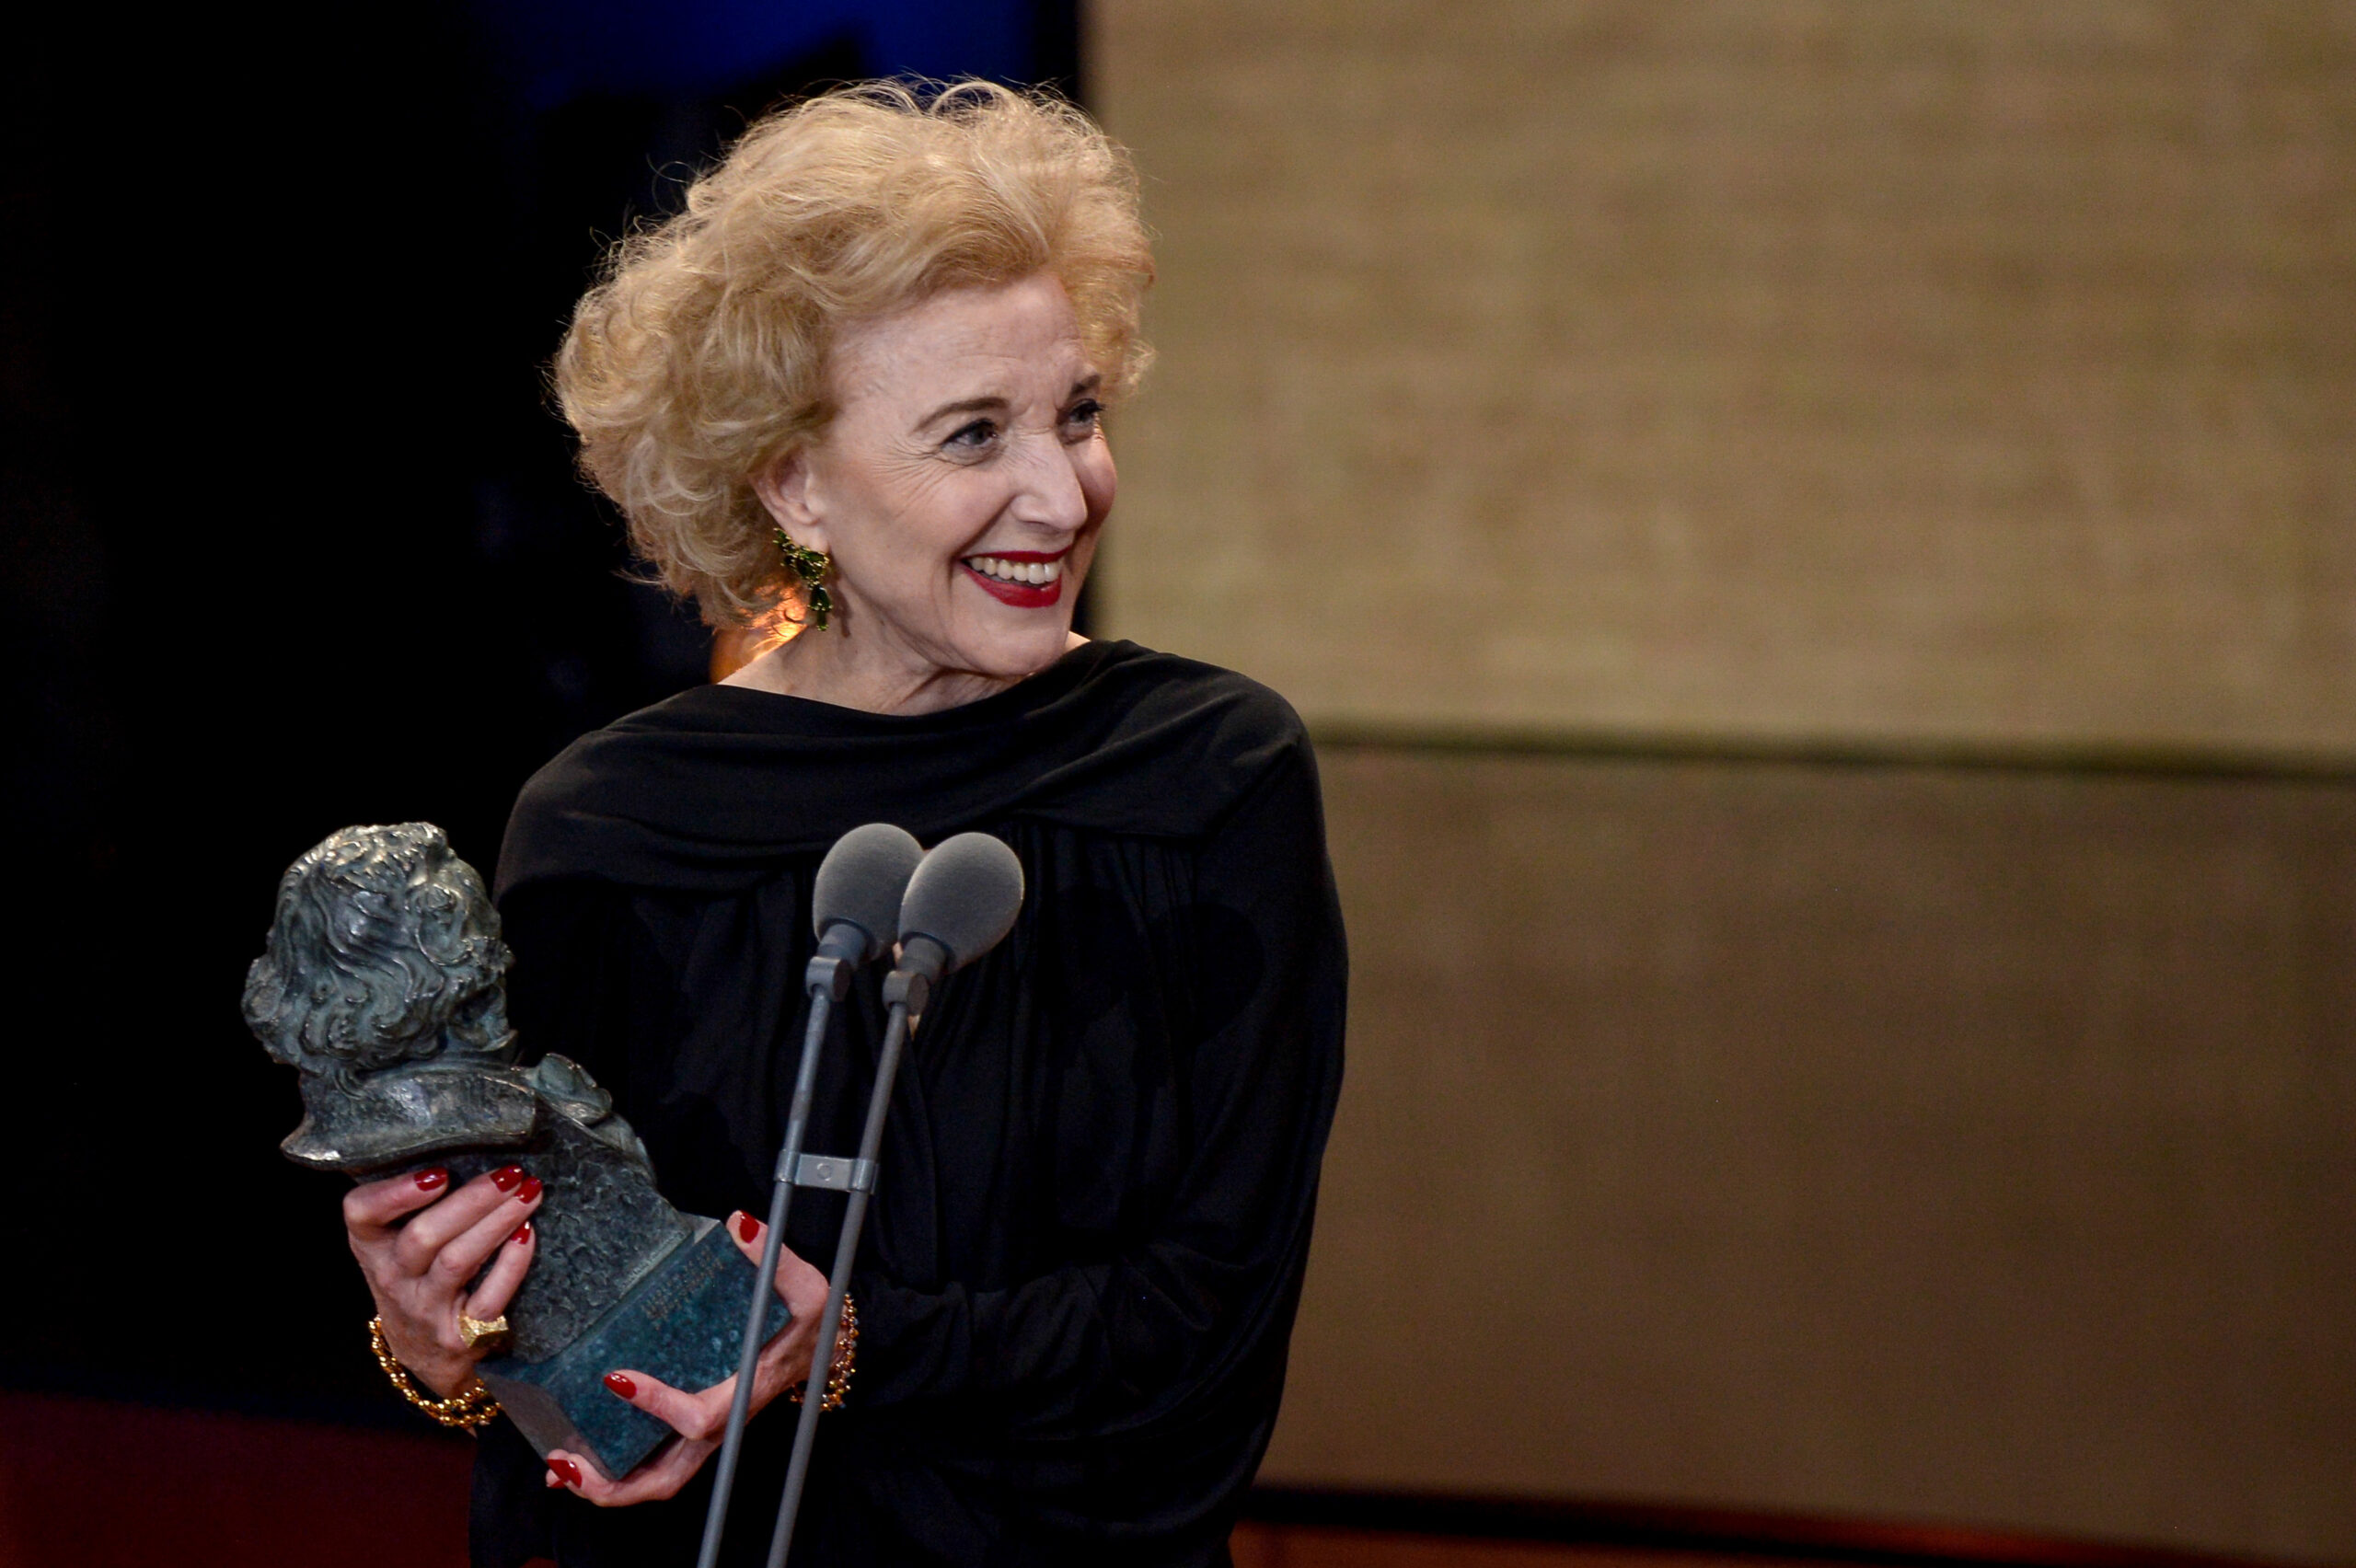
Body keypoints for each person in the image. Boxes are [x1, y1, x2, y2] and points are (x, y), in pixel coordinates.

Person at [341, 80, 1345, 1567]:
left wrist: (855, 1345)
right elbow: (549, 1362)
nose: (1060, 492)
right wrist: (438, 1343)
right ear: (794, 480)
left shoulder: (1211, 779)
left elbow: (1210, 1321)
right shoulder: (612, 831)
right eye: (972, 435)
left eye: (1077, 414)